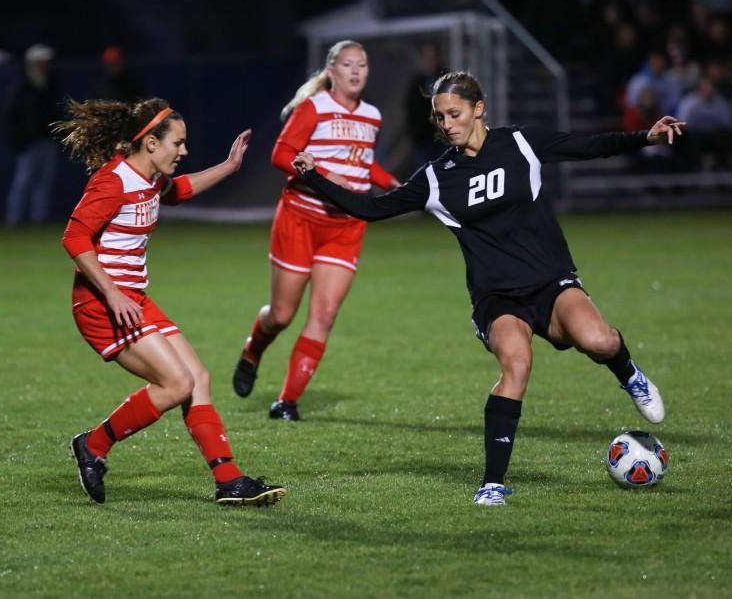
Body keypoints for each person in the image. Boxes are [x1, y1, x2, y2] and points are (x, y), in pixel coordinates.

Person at [290, 71, 683, 506]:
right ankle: (492, 483)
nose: (446, 124)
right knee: (516, 365)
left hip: (550, 281)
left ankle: (630, 375)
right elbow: (369, 207)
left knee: (600, 340)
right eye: (440, 117)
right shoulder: (437, 177)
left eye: (454, 113)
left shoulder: (521, 143)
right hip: (497, 298)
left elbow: (586, 146)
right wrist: (315, 176)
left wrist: (645, 137)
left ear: (479, 109)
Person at [54, 97, 285, 506]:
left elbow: (179, 190)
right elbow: (74, 238)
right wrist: (110, 293)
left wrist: (230, 167)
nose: (184, 151)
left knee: (197, 378)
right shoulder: (114, 181)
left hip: (133, 299)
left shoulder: (151, 179)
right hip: (101, 306)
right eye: (178, 143)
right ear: (151, 144)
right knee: (177, 384)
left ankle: (229, 480)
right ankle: (93, 445)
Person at [231, 40, 401, 421]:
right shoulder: (315, 108)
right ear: (331, 71)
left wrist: (392, 184)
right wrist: (325, 175)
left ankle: (287, 401)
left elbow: (364, 164)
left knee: (323, 314)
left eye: (362, 65)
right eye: (347, 65)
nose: (356, 71)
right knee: (281, 315)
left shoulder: (372, 115)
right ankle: (252, 351)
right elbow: (280, 154)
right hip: (300, 219)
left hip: (345, 226)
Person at [3, 43, 62, 226]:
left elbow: (57, 113)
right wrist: (18, 140)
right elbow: (11, 116)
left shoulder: (50, 84)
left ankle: (39, 220)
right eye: (41, 61)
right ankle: (14, 220)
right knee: (22, 183)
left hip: (47, 141)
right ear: (32, 62)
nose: (45, 64)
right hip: (28, 143)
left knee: (44, 183)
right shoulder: (21, 87)